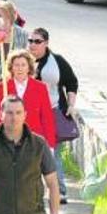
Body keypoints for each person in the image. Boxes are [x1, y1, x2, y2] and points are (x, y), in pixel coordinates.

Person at [29, 27, 78, 203]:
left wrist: (71, 105)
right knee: (30, 153)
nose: (33, 45)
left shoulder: (57, 61)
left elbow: (71, 82)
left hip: (53, 111)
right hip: (29, 113)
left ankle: (60, 191)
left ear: (46, 43)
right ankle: (34, 191)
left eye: (37, 41)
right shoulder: (23, 61)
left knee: (53, 152)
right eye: (30, 41)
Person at [0, 50, 57, 150]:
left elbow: (47, 117)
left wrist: (50, 145)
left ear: (29, 67)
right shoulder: (2, 87)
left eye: (23, 65)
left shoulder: (40, 87)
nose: (20, 68)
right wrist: (2, 117)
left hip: (33, 141)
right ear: (11, 68)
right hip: (9, 141)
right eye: (16, 65)